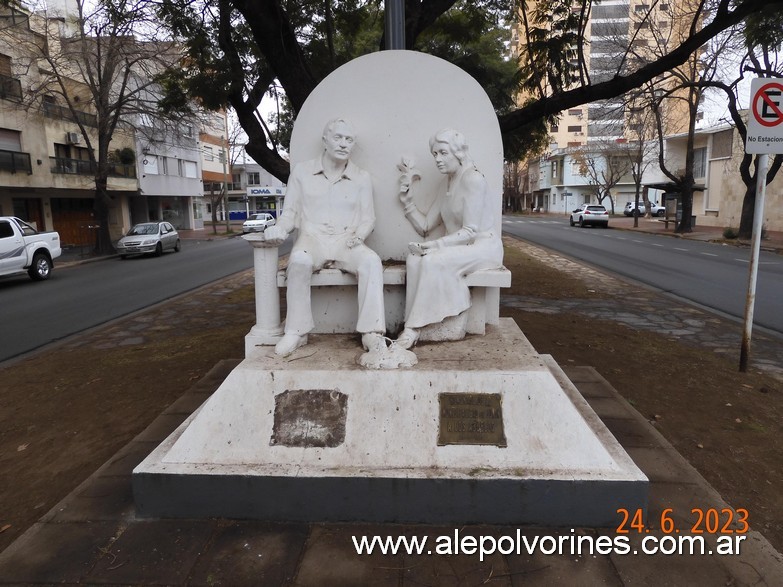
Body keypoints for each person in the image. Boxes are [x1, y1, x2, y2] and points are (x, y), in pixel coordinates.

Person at [264, 118, 386, 356]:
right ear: (325, 140)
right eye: (338, 138)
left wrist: (359, 236)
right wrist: (280, 227)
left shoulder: (362, 177)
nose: (343, 144)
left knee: (371, 262)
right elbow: (290, 213)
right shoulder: (302, 172)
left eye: (349, 140)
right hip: (313, 240)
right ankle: (296, 332)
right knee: (299, 262)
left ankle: (372, 332)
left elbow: (368, 218)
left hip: (347, 240)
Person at [395, 129, 503, 349]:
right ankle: (420, 326)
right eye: (435, 154)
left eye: (443, 153)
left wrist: (435, 246)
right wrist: (407, 203)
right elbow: (426, 226)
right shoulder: (446, 184)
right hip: (459, 245)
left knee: (433, 260)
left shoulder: (473, 179)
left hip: (482, 246)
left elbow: (470, 231)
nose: (438, 159)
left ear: (458, 152)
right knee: (414, 260)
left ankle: (412, 329)